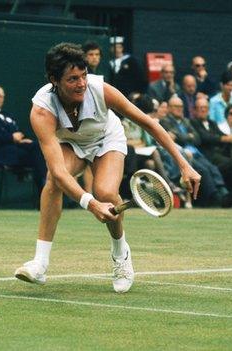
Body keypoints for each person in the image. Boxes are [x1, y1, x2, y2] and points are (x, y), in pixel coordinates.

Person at [14, 43, 200, 293]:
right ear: (54, 80)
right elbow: (58, 171)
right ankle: (40, 263)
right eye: (72, 79)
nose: (81, 83)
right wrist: (90, 204)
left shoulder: (101, 90)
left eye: (83, 76)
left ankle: (120, 253)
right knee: (53, 180)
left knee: (106, 193)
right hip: (71, 142)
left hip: (106, 139)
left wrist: (184, 165)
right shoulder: (42, 111)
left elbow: (149, 124)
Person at [0, 84, 47, 193]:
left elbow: (16, 132)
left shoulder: (7, 115)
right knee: (36, 157)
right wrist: (11, 138)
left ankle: (44, 187)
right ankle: (44, 188)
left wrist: (22, 139)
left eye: (1, 96)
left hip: (14, 149)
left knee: (37, 146)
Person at [192, 102, 232, 206]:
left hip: (217, 153)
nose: (203, 110)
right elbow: (204, 138)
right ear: (195, 110)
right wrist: (227, 138)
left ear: (208, 110)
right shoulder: (193, 122)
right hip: (205, 155)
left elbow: (221, 135)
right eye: (200, 107)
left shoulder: (212, 123)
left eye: (205, 108)